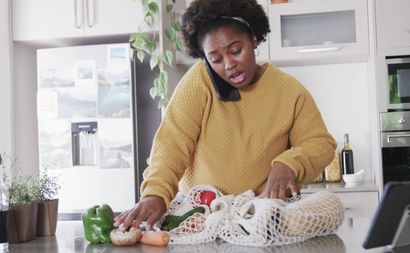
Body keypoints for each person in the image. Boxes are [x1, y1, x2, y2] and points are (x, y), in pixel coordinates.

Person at [114, 0, 336, 231]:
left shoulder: (289, 90)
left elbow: (320, 143)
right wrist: (156, 194)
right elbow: (172, 143)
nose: (229, 65)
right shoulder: (199, 80)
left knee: (331, 205)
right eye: (216, 59)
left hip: (259, 214)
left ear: (253, 38)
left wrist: (289, 164)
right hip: (201, 215)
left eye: (236, 51)